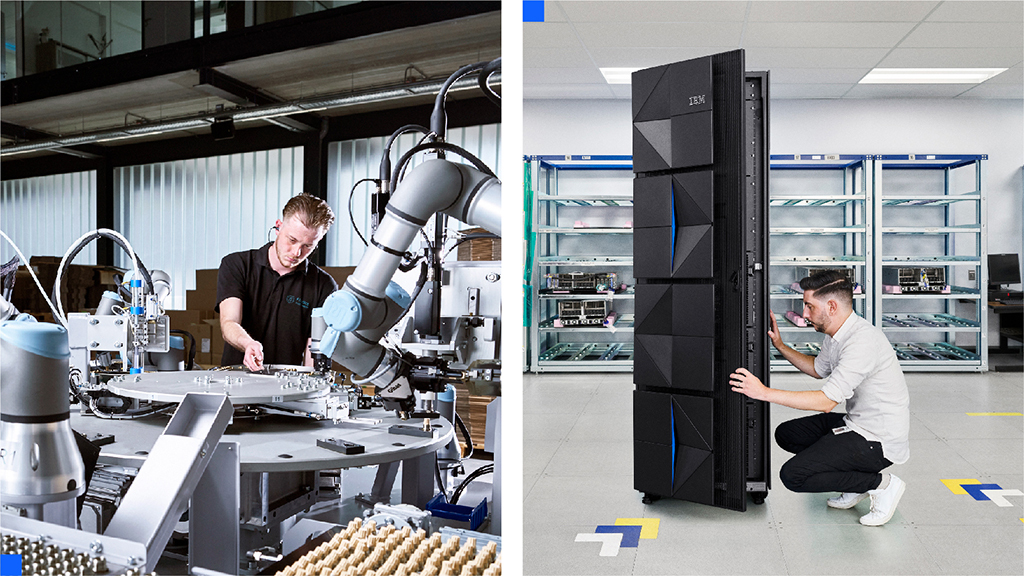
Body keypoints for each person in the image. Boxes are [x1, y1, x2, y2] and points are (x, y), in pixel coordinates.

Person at [729, 269, 910, 526]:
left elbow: (826, 402)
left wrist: (763, 393)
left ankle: (880, 484)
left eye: (809, 306)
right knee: (787, 434)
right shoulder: (837, 334)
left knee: (793, 476)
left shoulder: (862, 342)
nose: (804, 314)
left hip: (878, 440)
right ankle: (854, 481)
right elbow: (817, 369)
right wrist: (780, 346)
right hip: (857, 424)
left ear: (832, 306)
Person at [216, 193, 338, 371]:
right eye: (292, 240)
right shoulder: (237, 265)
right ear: (278, 227)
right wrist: (248, 344)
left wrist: (313, 387)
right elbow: (229, 322)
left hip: (287, 389)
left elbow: (315, 348)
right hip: (236, 383)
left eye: (308, 246)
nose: (297, 252)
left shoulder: (323, 285)